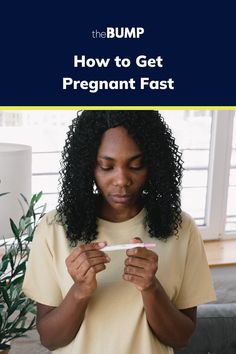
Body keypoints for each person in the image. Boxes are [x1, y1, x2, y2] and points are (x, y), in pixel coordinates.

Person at [23, 110, 216, 354]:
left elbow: (180, 338)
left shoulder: (181, 229)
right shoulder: (54, 229)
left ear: (154, 165)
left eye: (136, 165)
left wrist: (151, 289)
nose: (122, 180)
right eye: (106, 166)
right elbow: (50, 339)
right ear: (88, 166)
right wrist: (79, 292)